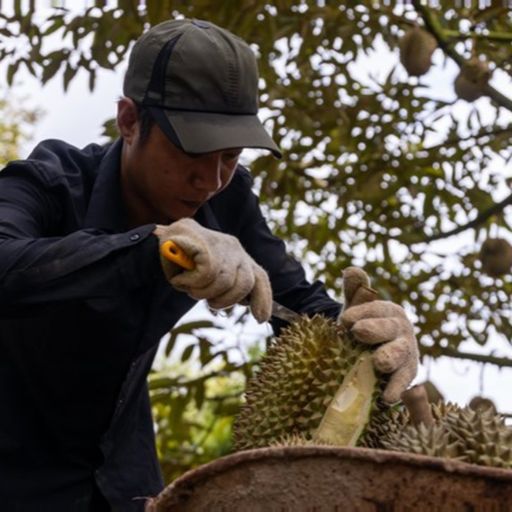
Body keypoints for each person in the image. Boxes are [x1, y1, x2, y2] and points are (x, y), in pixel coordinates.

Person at [0, 18, 418, 511]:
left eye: (232, 155)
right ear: (129, 120)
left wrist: (372, 332)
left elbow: (298, 307)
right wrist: (150, 248)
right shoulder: (51, 182)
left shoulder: (227, 199)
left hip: (123, 483)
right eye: (193, 150)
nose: (211, 179)